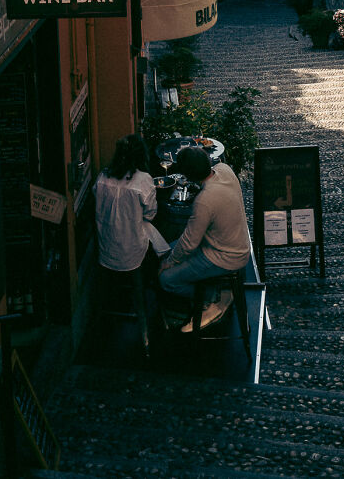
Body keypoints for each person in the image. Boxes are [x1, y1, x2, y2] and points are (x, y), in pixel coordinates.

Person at [158, 146, 250, 332]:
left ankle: (212, 298)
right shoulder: (225, 170)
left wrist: (170, 262)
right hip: (237, 245)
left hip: (224, 257)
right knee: (169, 250)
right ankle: (215, 293)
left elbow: (189, 244)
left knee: (166, 279)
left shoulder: (204, 201)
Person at [94, 134, 168, 350]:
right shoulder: (143, 181)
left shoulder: (101, 178)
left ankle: (100, 328)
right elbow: (150, 214)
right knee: (154, 240)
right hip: (131, 251)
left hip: (106, 248)